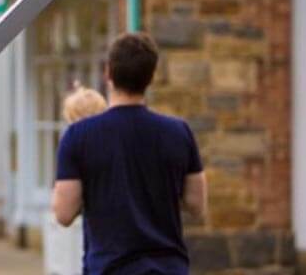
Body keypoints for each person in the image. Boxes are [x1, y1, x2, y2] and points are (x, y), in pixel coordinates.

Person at [52, 32, 207, 274]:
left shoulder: (78, 136)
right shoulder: (179, 132)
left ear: (108, 73)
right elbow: (197, 205)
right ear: (151, 76)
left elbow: (63, 213)